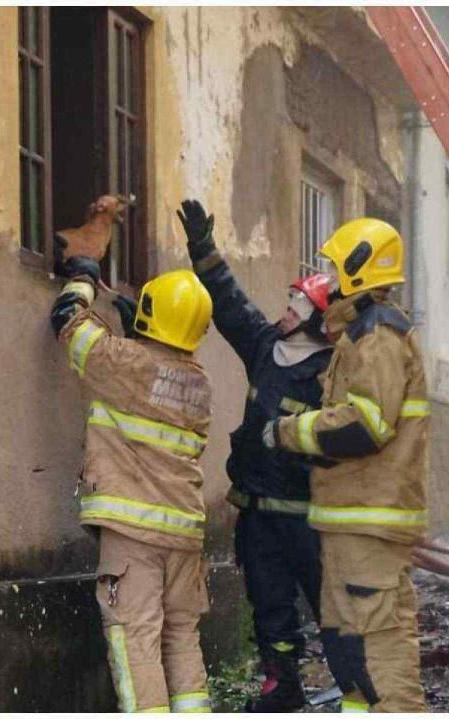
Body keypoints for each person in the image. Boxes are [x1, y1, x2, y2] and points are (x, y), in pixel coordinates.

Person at [50, 195, 215, 714]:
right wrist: (136, 326)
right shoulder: (200, 383)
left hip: (134, 536)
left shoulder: (124, 362)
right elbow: (155, 370)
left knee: (135, 636)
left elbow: (67, 323)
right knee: (181, 635)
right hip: (184, 533)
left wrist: (81, 272)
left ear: (148, 318)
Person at [267, 218, 430, 713]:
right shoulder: (358, 335)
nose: (329, 278)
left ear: (360, 270)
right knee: (349, 652)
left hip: (368, 521)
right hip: (350, 521)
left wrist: (289, 432)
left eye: (335, 268)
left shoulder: (377, 335)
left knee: (378, 658)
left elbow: (365, 426)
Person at [178, 199, 334, 711]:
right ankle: (280, 685)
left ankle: (358, 687)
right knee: (269, 607)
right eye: (289, 303)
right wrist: (203, 249)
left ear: (318, 321)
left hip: (310, 521)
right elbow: (230, 305)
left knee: (331, 610)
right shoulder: (267, 348)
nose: (285, 312)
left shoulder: (331, 373)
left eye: (297, 307)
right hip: (257, 513)